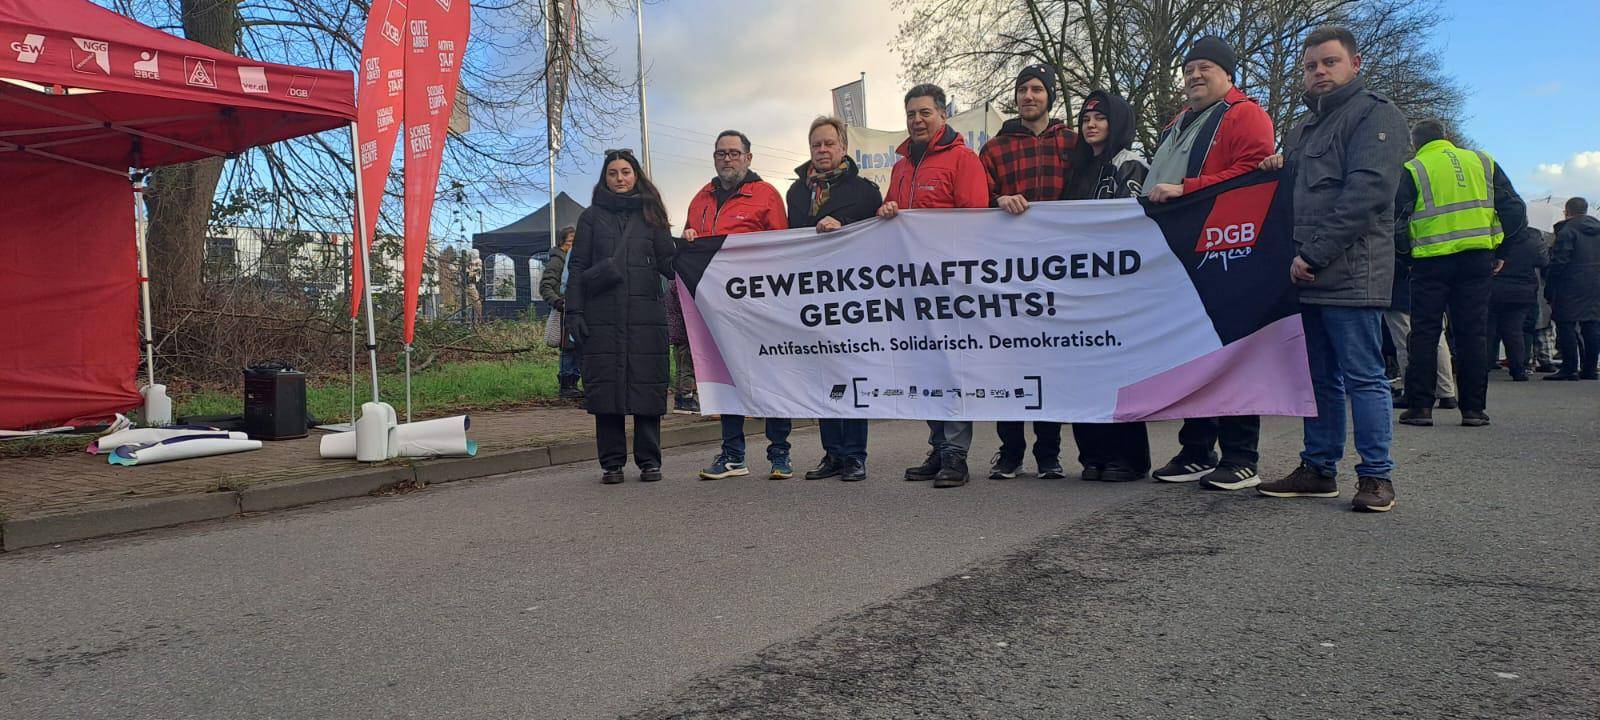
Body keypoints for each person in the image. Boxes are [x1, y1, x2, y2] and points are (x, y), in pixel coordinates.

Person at [1254, 25, 1410, 512]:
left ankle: (1376, 477)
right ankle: (1319, 469)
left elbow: (1365, 197)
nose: (1319, 72)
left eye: (1330, 62)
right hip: (1306, 273)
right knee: (1320, 378)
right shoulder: (1302, 129)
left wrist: (1313, 255)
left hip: (1351, 273)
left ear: (1355, 64)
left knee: (1363, 376)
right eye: (1311, 66)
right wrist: (1276, 168)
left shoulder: (1377, 116)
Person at [1144, 35, 1276, 491]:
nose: (1194, 76)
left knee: (1233, 351)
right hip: (1182, 254)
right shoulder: (1180, 122)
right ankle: (1198, 449)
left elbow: (1256, 174)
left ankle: (1242, 455)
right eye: (1188, 70)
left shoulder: (1245, 114)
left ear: (1228, 74)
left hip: (1226, 252)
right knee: (1191, 355)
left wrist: (1191, 188)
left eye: (1205, 67)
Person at [878, 82, 989, 489]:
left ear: (943, 115)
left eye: (925, 113)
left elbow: (974, 220)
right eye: (911, 114)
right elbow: (892, 215)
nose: (917, 121)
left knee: (952, 368)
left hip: (950, 285)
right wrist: (887, 208)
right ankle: (939, 444)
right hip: (911, 287)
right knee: (925, 367)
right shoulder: (900, 167)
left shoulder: (963, 159)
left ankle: (956, 454)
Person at [1393, 119, 1527, 426]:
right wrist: (1501, 251)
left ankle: (1420, 407)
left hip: (1430, 260)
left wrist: (1406, 258)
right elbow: (1514, 210)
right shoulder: (1482, 161)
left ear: (1416, 143)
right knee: (1472, 332)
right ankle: (1473, 409)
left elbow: (1397, 220)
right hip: (1477, 257)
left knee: (1425, 331)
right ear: (1447, 137)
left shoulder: (1414, 168)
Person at [977, 63, 1075, 481]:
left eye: (1037, 89)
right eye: (1023, 90)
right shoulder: (996, 148)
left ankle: (1049, 453)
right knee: (1009, 361)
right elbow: (978, 197)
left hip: (1058, 269)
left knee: (1050, 363)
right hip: (1008, 271)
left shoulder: (1072, 143)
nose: (1029, 96)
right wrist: (998, 199)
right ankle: (1011, 450)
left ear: (1049, 96)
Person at [683, 130, 793, 480]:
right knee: (726, 379)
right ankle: (733, 456)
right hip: (717, 309)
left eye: (734, 153)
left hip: (760, 306)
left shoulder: (766, 195)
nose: (727, 159)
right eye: (721, 153)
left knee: (771, 377)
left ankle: (780, 454)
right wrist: (688, 238)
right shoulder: (700, 197)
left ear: (748, 157)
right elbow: (691, 238)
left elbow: (783, 247)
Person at [565, 149, 677, 485]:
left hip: (646, 314)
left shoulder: (652, 214)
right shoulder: (591, 218)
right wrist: (574, 312)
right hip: (603, 315)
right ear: (605, 178)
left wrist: (689, 245)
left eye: (625, 172)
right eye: (613, 173)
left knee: (647, 386)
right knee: (607, 391)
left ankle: (649, 461)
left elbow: (668, 265)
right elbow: (578, 267)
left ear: (636, 175)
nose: (620, 178)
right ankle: (611, 463)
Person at [786, 116, 884, 483]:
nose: (822, 150)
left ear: (843, 146)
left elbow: (875, 241)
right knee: (823, 375)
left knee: (851, 373)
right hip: (812, 295)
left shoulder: (865, 191)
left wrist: (842, 230)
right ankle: (833, 452)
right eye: (816, 145)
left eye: (829, 143)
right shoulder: (796, 193)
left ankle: (855, 454)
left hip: (852, 297)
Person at [1063, 89, 1152, 482]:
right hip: (1081, 289)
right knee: (1084, 372)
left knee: (1118, 373)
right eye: (1085, 120)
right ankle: (1093, 455)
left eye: (1099, 119)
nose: (1091, 125)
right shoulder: (1080, 170)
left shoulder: (1130, 163)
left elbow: (1130, 221)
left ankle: (1128, 458)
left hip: (1117, 289)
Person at [1383, 256, 1459, 409]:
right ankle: (1446, 392)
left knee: (1405, 343)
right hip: (1432, 284)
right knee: (1438, 339)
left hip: (1400, 287)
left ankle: (1411, 392)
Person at [1545, 196, 1600, 380]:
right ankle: (1590, 369)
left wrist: (1550, 285)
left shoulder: (1567, 231)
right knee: (1591, 325)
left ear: (1567, 211)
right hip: (1595, 284)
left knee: (1565, 323)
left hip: (1570, 284)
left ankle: (1569, 368)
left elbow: (1560, 261)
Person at [1487, 228, 1547, 381]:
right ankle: (1518, 369)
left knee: (1488, 329)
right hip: (1522, 291)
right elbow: (1543, 261)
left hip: (1494, 288)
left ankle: (1483, 365)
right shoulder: (1532, 241)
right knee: (1514, 331)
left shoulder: (1495, 237)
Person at [539, 226, 584, 400]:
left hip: (577, 308)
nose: (573, 245)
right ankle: (566, 384)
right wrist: (557, 301)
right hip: (564, 309)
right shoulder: (557, 261)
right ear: (562, 243)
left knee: (577, 346)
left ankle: (573, 382)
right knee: (567, 348)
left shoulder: (575, 259)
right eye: (570, 241)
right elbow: (545, 286)